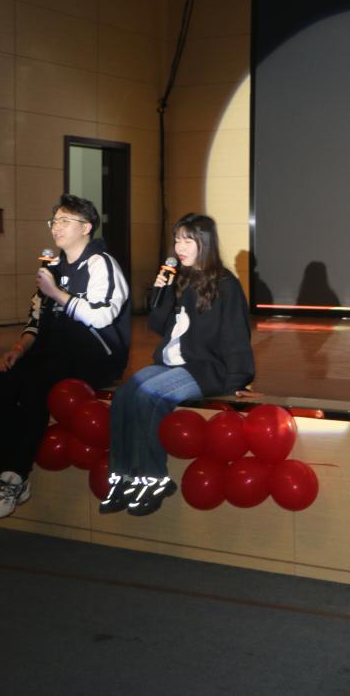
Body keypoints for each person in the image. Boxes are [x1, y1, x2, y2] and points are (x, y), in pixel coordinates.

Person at [0, 195, 130, 519]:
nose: (56, 228)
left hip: (95, 355)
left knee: (37, 386)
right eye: (54, 221)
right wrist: (19, 349)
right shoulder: (52, 268)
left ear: (86, 228)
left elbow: (103, 315)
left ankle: (16, 475)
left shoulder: (101, 263)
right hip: (53, 354)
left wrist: (57, 293)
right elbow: (36, 320)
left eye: (65, 221)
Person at [101, 214, 255, 516]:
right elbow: (160, 327)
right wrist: (160, 294)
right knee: (124, 395)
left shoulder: (226, 284)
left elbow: (236, 335)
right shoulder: (181, 278)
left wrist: (238, 380)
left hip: (205, 367)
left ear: (205, 242)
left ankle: (154, 478)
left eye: (187, 240)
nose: (179, 247)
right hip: (172, 363)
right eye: (176, 240)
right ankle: (123, 475)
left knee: (149, 395)